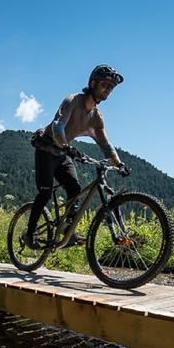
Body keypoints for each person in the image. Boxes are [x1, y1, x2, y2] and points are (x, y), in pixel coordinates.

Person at [27, 64, 130, 248]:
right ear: (93, 83)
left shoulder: (96, 118)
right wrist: (66, 146)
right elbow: (59, 125)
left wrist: (119, 164)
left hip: (62, 153)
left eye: (111, 88)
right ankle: (30, 234)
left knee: (75, 190)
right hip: (46, 148)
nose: (108, 90)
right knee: (45, 193)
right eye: (105, 85)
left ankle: (68, 231)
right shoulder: (72, 101)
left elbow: (105, 145)